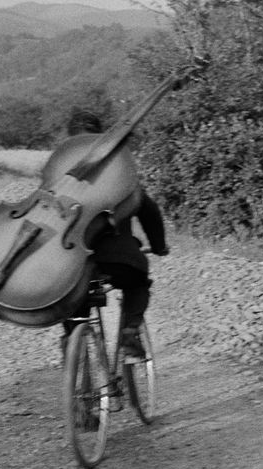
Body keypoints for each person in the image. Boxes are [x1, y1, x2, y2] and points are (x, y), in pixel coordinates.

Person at [61, 110, 169, 360]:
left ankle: (71, 340)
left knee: (70, 294)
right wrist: (158, 245)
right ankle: (130, 332)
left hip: (73, 262)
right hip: (118, 258)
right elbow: (148, 210)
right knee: (137, 283)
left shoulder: (59, 173)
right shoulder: (116, 171)